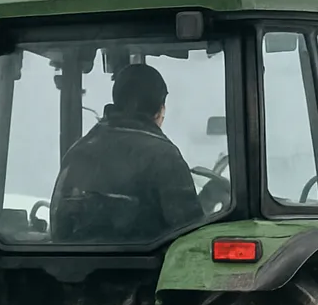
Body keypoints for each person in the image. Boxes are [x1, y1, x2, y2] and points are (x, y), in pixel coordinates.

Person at [49, 63, 204, 243]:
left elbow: (59, 228)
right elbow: (192, 235)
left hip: (77, 269)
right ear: (160, 110)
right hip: (149, 270)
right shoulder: (164, 157)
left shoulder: (79, 151)